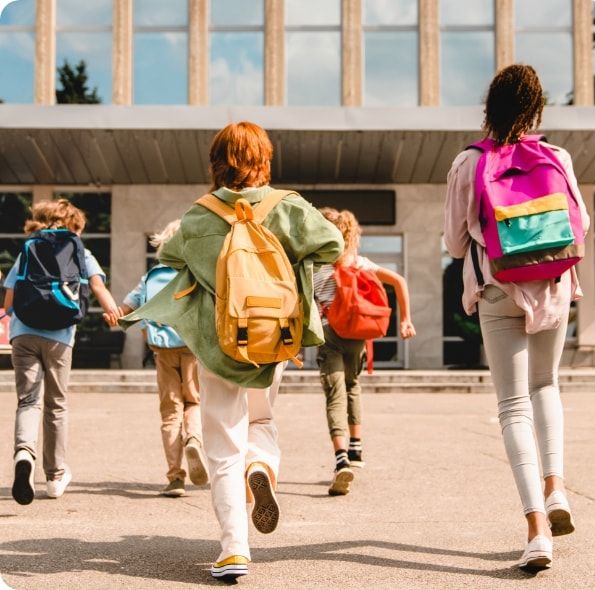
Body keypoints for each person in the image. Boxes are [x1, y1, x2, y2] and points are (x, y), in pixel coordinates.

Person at [119, 121, 344, 580]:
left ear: (216, 162)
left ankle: (234, 547)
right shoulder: (289, 207)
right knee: (261, 419)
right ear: (264, 159)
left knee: (222, 442)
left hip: (219, 342)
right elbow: (332, 245)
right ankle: (260, 465)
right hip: (274, 338)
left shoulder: (199, 216)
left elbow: (169, 259)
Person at [444, 64, 590, 571]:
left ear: (491, 107)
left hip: (498, 286)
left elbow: (454, 242)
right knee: (546, 386)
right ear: (536, 109)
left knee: (512, 406)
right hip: (550, 285)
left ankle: (536, 529)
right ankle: (556, 489)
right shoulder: (557, 155)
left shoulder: (468, 161)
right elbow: (582, 225)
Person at [3, 199, 120, 505]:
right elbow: (97, 287)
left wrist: (12, 313)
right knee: (56, 405)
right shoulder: (81, 250)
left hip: (23, 333)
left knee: (28, 401)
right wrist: (113, 313)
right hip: (59, 337)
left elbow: (9, 300)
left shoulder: (29, 248)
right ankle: (54, 477)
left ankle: (23, 455)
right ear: (74, 226)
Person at [314, 207, 416, 496]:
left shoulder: (315, 266)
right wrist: (406, 320)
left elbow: (304, 304)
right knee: (353, 386)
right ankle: (356, 449)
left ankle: (341, 458)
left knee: (335, 394)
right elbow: (400, 281)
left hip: (329, 335)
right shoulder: (358, 262)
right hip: (357, 335)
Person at [104, 220, 207, 498]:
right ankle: (194, 439)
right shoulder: (195, 274)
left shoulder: (151, 277)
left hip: (162, 352)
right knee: (194, 402)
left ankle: (175, 477)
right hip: (192, 348)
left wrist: (113, 314)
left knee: (170, 412)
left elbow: (125, 309)